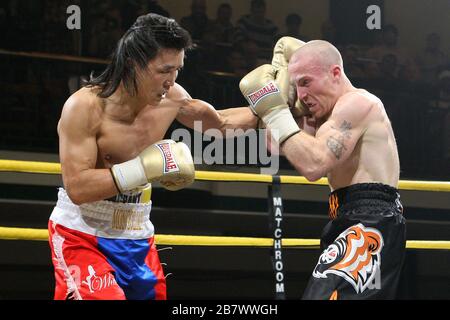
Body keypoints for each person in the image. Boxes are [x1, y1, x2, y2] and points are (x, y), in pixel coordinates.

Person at [48, 13, 256, 300]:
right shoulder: (84, 107)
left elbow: (220, 124)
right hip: (83, 232)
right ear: (133, 63)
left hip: (137, 232)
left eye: (177, 70)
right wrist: (143, 168)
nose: (171, 81)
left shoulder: (173, 99)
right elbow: (78, 187)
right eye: (164, 70)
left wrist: (274, 107)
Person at [239, 38, 406, 299]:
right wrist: (280, 100)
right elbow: (275, 143)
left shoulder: (357, 103)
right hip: (344, 217)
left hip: (371, 221)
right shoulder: (325, 116)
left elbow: (314, 165)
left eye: (306, 82)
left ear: (335, 73)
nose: (302, 94)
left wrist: (274, 110)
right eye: (296, 86)